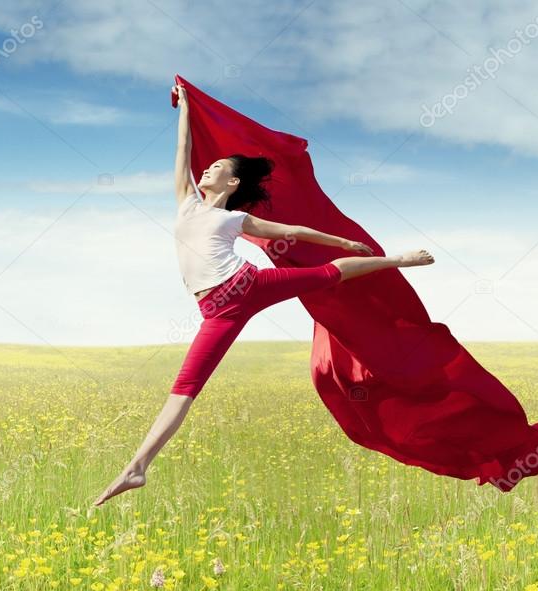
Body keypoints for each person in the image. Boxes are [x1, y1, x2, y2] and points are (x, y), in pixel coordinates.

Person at [92, 84, 434, 506]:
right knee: (185, 388)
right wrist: (186, 107)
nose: (205, 169)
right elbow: (182, 150)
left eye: (215, 166)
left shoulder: (235, 218)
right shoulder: (186, 202)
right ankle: (138, 467)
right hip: (216, 311)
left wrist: (344, 243)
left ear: (232, 181)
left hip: (248, 285)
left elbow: (292, 231)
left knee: (329, 274)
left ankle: (400, 260)